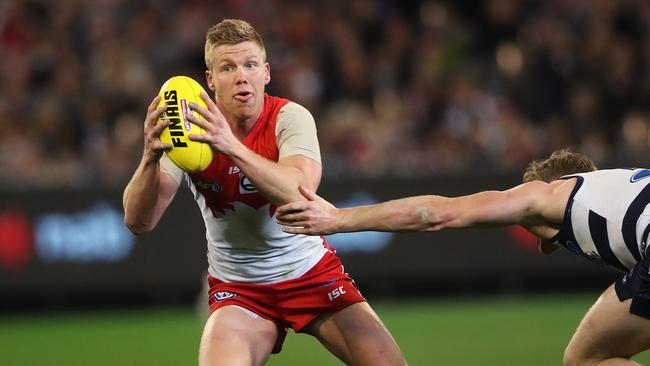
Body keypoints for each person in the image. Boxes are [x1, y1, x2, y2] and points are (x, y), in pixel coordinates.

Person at [123, 19, 406, 366]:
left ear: (266, 73)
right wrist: (150, 158)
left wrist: (230, 146)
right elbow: (139, 220)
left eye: (250, 65)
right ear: (210, 80)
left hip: (310, 274)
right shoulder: (190, 127)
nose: (241, 76)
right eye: (228, 67)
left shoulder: (289, 118)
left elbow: (298, 194)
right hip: (240, 289)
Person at [277, 149, 650, 366]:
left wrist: (340, 218)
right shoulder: (619, 187)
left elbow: (439, 213)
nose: (539, 243)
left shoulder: (544, 195)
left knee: (586, 359)